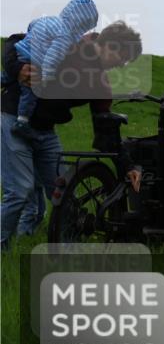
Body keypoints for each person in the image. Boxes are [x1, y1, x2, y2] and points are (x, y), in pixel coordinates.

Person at [1, 21, 144, 250]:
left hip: (46, 131)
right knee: (20, 191)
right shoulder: (71, 42)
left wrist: (128, 166)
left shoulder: (100, 84)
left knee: (65, 195)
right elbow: (15, 41)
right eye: (123, 58)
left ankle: (61, 248)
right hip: (12, 117)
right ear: (113, 46)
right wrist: (17, 69)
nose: (121, 65)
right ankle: (2, 249)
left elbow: (106, 130)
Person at [7, 0, 99, 140]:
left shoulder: (49, 20)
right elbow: (52, 56)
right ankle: (22, 122)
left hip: (22, 49)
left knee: (9, 76)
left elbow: (32, 25)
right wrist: (46, 76)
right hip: (32, 61)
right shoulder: (65, 37)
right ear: (83, 24)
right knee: (30, 90)